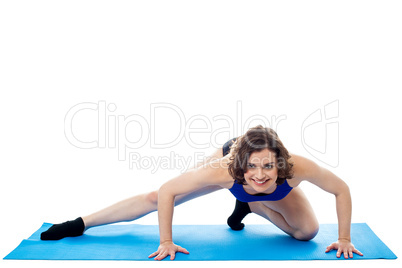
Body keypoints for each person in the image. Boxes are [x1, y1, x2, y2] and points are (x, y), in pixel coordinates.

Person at [40, 125, 363, 260]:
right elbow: (165, 192)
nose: (260, 175)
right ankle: (81, 222)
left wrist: (345, 237)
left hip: (256, 183)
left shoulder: (296, 167)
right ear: (239, 165)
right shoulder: (222, 170)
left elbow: (341, 189)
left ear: (280, 163)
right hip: (226, 163)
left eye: (268, 167)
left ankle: (248, 205)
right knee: (157, 197)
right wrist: (165, 241)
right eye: (252, 167)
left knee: (307, 232)